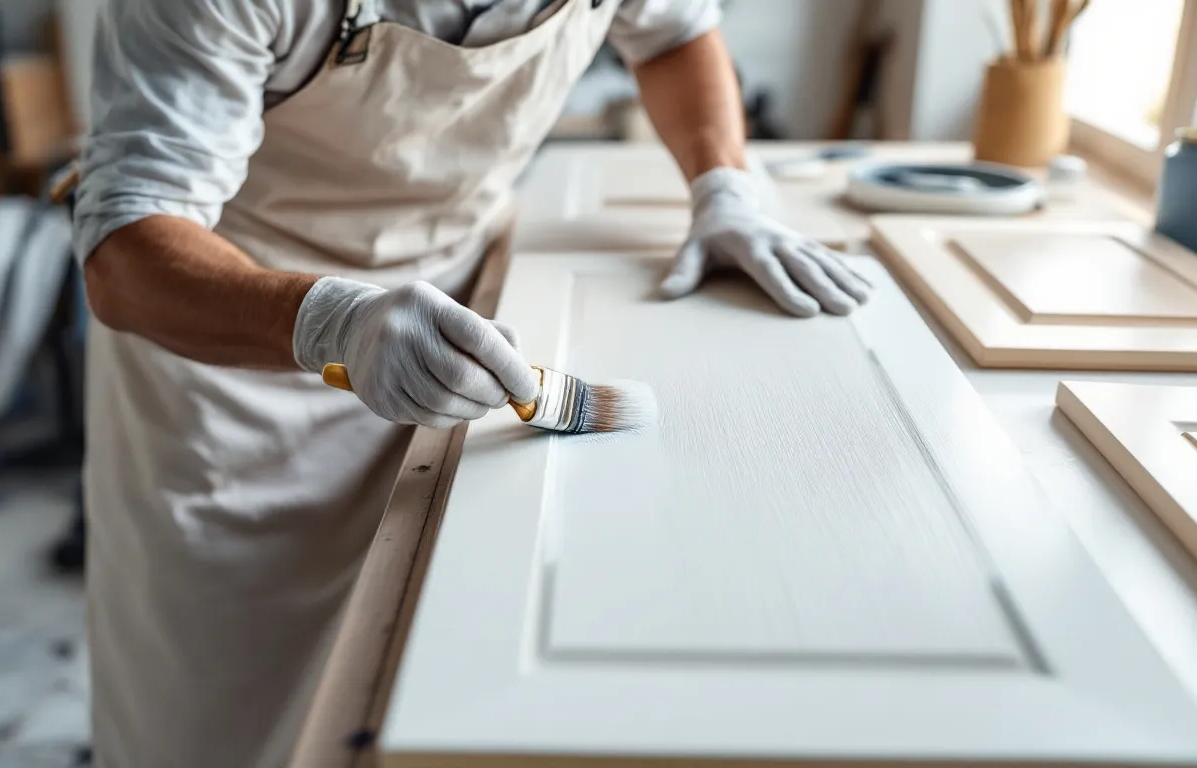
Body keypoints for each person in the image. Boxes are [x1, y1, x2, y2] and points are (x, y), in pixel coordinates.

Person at [74, 0, 873, 765]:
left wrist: (723, 186)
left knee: (418, 677)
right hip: (240, 363)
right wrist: (335, 324)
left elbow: (674, 34)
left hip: (468, 304)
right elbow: (127, 251)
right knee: (222, 706)